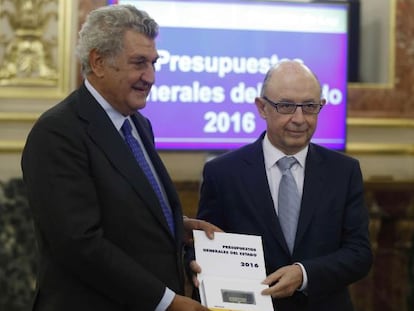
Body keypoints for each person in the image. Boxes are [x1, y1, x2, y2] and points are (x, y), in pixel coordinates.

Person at [21, 4, 219, 311]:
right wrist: (167, 302)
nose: (150, 77)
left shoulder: (139, 125)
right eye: (139, 63)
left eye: (154, 63)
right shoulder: (58, 133)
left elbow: (124, 209)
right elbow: (79, 244)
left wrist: (175, 227)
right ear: (98, 62)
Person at [195, 60, 373, 311]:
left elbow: (359, 254)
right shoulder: (223, 173)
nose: (299, 119)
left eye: (310, 106)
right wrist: (198, 264)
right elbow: (207, 247)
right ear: (262, 107)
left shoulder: (344, 171)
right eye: (287, 106)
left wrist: (304, 274)